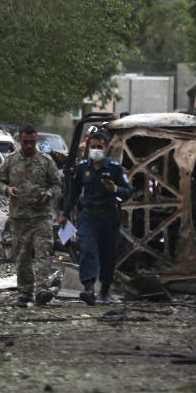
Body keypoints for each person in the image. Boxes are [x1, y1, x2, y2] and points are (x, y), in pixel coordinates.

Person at [60, 130, 132, 305]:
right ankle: (89, 288)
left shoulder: (114, 168)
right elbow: (74, 192)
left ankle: (105, 290)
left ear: (105, 148)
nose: (96, 150)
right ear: (89, 148)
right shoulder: (83, 167)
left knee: (108, 254)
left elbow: (128, 192)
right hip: (88, 214)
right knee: (87, 248)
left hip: (109, 215)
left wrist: (114, 189)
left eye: (100, 147)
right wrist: (65, 213)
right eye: (93, 147)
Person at [0, 123, 62, 306]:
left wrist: (47, 194)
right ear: (20, 141)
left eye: (32, 142)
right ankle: (24, 292)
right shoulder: (10, 161)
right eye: (26, 142)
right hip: (20, 217)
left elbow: (57, 185)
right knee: (22, 255)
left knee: (42, 253)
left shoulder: (46, 161)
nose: (29, 146)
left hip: (41, 216)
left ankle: (42, 290)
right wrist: (7, 189)